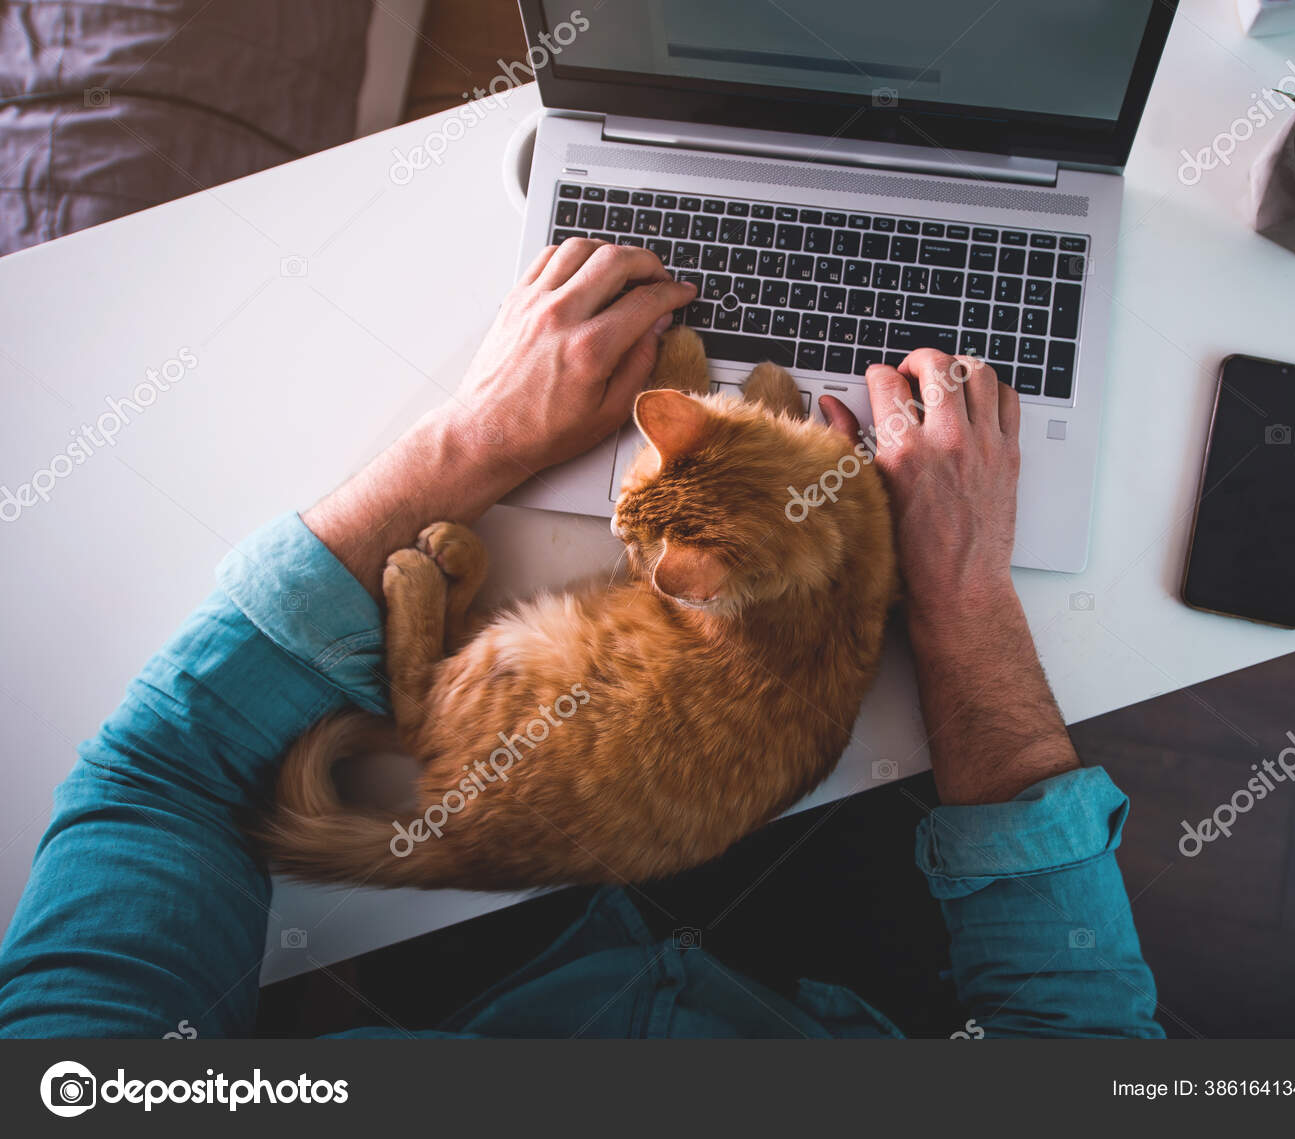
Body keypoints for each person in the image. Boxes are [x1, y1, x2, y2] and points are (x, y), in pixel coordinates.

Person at [0, 240, 1161, 1039]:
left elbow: (165, 777)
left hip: (518, 932)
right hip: (833, 953)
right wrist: (965, 598)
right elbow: (1076, 1041)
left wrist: (466, 443)